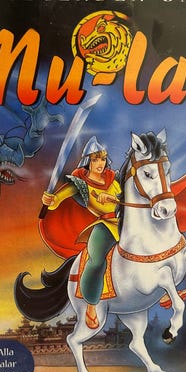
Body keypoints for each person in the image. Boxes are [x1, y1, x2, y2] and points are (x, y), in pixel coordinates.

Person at [42, 137, 121, 329]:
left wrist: (114, 198)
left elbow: (126, 198)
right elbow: (57, 200)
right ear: (87, 161)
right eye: (95, 159)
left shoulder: (113, 179)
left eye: (102, 159)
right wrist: (50, 201)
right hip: (106, 224)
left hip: (125, 220)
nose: (100, 163)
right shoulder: (80, 184)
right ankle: (91, 305)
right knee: (96, 260)